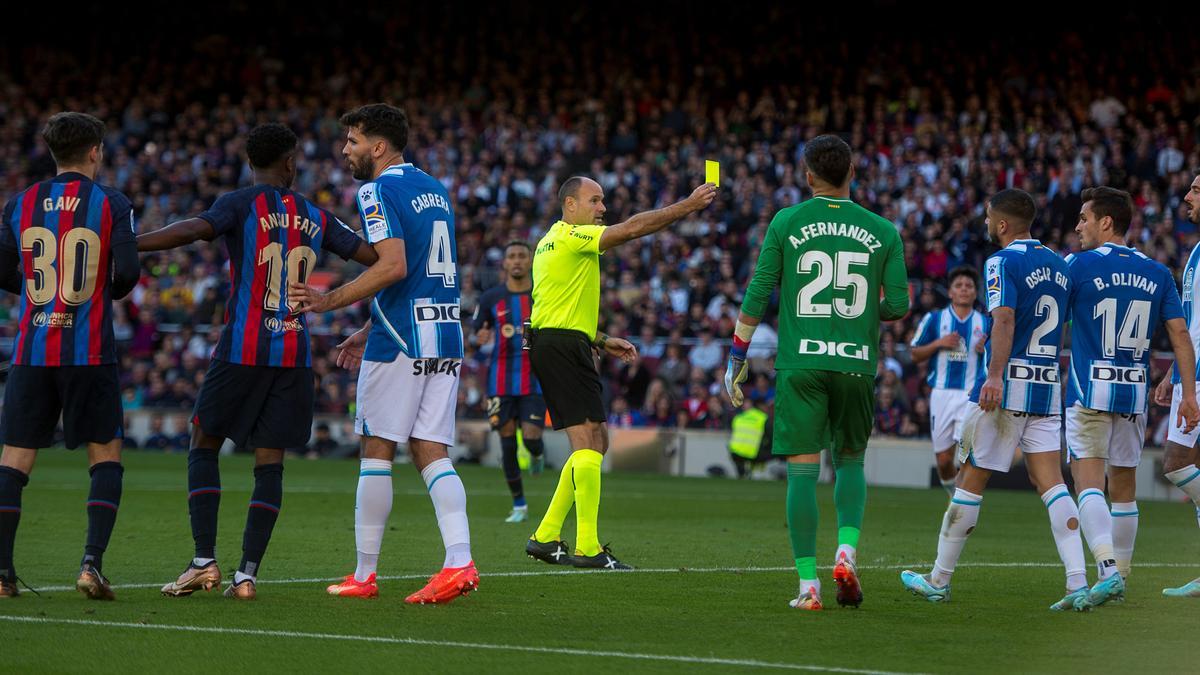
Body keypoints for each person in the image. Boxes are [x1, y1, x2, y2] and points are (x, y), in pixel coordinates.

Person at [139, 123, 377, 600]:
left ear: (251, 163)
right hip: (293, 355)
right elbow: (373, 256)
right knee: (271, 463)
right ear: (290, 163)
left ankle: (204, 561)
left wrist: (134, 243)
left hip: (242, 350)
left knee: (203, 442)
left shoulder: (238, 203)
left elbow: (192, 231)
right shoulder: (317, 214)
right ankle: (246, 575)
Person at [289, 103, 477, 605]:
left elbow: (392, 266)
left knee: (376, 449)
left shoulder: (376, 189)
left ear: (378, 146)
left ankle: (364, 575)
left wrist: (329, 301)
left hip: (398, 340)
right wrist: (366, 323)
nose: (345, 150)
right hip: (443, 333)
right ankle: (459, 562)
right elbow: (418, 270)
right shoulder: (435, 190)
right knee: (431, 451)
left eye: (352, 140)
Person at [725, 134, 908, 610]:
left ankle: (808, 586)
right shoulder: (884, 231)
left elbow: (758, 291)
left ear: (808, 177)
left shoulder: (787, 221)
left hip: (801, 363)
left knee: (802, 473)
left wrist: (737, 357)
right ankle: (846, 553)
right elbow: (900, 305)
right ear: (853, 173)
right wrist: (865, 311)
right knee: (849, 462)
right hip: (854, 365)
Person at [900, 189, 1090, 611]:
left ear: (1002, 224)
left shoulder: (1001, 262)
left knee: (971, 479)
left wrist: (994, 375)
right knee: (1052, 483)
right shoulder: (1061, 265)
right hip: (1046, 386)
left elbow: (1004, 317)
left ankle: (938, 579)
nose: (986, 222)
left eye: (988, 216)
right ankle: (1078, 581)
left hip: (1008, 387)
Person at [523, 175, 716, 570]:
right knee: (587, 444)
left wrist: (600, 338)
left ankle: (546, 536)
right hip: (560, 346)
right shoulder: (574, 238)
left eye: (602, 201)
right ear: (570, 205)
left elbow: (555, 304)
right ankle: (588, 548)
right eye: (594, 201)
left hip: (565, 341)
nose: (602, 209)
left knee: (597, 442)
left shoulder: (550, 242)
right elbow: (632, 230)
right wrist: (687, 205)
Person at [0, 112, 140, 599]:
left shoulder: (21, 203)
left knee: (14, 460)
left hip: (32, 350)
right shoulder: (111, 202)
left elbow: (3, 269)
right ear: (96, 151)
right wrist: (99, 289)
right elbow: (127, 274)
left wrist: (42, 292)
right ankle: (90, 566)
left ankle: (1, 575)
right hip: (89, 353)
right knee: (106, 456)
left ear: (54, 153)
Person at [1064, 186, 1198, 606]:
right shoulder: (1158, 272)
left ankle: (1106, 569)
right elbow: (1179, 334)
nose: (1078, 226)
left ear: (1106, 222)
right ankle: (1120, 576)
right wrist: (1187, 391)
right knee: (1124, 486)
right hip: (1132, 394)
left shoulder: (1078, 265)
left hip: (1089, 388)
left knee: (1087, 480)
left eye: (1084, 218)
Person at [472, 240, 547, 523]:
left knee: (531, 438)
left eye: (521, 256)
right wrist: (478, 337)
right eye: (511, 256)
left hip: (534, 379)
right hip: (499, 380)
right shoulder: (491, 298)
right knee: (506, 444)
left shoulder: (541, 295)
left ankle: (538, 455)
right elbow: (476, 332)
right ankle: (519, 506)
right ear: (504, 263)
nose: (516, 261)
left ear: (529, 262)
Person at [1154, 174, 1200, 598]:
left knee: (1176, 463)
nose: (1187, 196)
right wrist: (1172, 374)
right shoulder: (1196, 253)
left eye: (1197, 190)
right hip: (1193, 375)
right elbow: (1190, 325)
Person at [909, 266, 986, 493]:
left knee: (966, 457)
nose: (964, 289)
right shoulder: (934, 319)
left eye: (969, 286)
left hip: (971, 396)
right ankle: (954, 497)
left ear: (974, 292)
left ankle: (961, 506)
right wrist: (938, 344)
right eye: (959, 286)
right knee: (943, 460)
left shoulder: (985, 323)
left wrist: (987, 350)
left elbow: (998, 360)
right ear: (950, 292)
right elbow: (914, 353)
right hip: (941, 394)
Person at [728, 398, 769, 478]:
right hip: (752, 452)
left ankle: (743, 475)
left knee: (741, 473)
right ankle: (754, 473)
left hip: (735, 451)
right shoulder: (763, 417)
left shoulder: (738, 418)